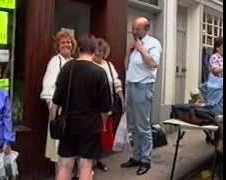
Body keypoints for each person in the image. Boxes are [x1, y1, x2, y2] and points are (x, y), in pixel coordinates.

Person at [50, 36, 112, 180]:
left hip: (68, 124)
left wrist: (52, 121)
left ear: (78, 49)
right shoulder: (100, 72)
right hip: (90, 126)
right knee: (86, 165)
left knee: (65, 164)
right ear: (94, 51)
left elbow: (56, 101)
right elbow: (105, 108)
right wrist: (102, 125)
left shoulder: (67, 68)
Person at [121, 17, 162, 175]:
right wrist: (130, 50)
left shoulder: (153, 43)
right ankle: (136, 156)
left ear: (146, 29)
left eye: (137, 28)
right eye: (133, 28)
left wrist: (141, 49)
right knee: (133, 125)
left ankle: (146, 160)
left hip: (143, 86)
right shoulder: (134, 45)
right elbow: (127, 65)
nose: (134, 31)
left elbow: (153, 63)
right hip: (131, 85)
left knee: (143, 126)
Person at [40, 30, 77, 166]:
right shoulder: (55, 61)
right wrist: (54, 112)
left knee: (71, 152)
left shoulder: (75, 62)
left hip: (74, 113)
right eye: (63, 42)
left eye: (68, 42)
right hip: (60, 113)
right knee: (60, 152)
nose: (66, 45)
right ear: (58, 45)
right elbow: (48, 88)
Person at [92, 37, 125, 172]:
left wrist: (123, 102)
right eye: (96, 50)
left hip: (107, 109)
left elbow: (117, 84)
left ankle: (98, 159)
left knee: (103, 137)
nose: (99, 53)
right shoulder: (89, 65)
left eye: (101, 51)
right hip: (92, 109)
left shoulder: (109, 65)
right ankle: (90, 162)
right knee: (92, 136)